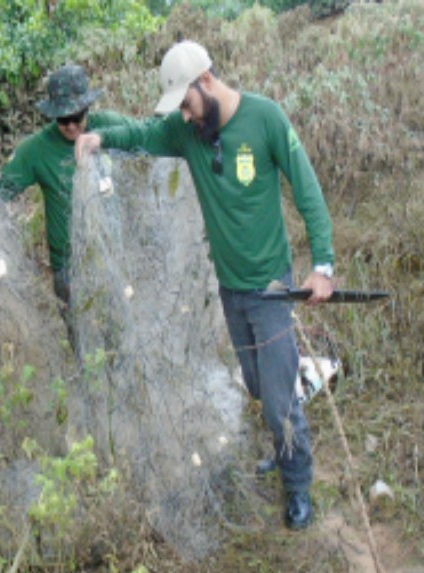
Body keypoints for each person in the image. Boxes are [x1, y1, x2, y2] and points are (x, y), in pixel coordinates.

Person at [76, 40, 335, 530]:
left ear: (207, 81)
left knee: (280, 398)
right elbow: (144, 133)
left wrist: (322, 265)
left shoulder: (266, 119)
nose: (188, 117)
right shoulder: (186, 130)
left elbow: (308, 191)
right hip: (231, 290)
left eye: (189, 104)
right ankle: (280, 452)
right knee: (259, 384)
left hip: (272, 290)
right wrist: (100, 139)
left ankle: (297, 484)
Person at [0, 64, 137, 306]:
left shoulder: (108, 126)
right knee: (81, 333)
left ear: (87, 108)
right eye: (63, 118)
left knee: (119, 329)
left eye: (77, 117)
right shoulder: (36, 149)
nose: (70, 126)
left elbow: (146, 135)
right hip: (68, 269)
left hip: (112, 258)